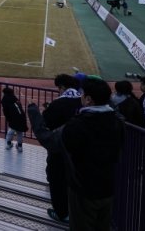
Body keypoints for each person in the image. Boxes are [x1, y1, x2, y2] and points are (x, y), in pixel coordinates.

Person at [28, 78, 125, 231]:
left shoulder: (77, 125)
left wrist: (33, 112)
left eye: (83, 95)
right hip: (108, 187)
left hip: (83, 191)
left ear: (88, 100)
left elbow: (49, 141)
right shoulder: (117, 122)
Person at [40, 74, 82, 223]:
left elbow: (46, 122)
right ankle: (73, 210)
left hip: (60, 149)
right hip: (79, 150)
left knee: (57, 179)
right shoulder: (83, 99)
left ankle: (61, 213)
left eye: (58, 88)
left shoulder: (59, 103)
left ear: (63, 87)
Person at [1, 87, 28, 153]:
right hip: (22, 116)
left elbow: (6, 112)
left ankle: (9, 144)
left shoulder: (5, 100)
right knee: (19, 131)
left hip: (14, 117)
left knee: (11, 130)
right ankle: (19, 146)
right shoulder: (15, 99)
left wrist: (9, 119)